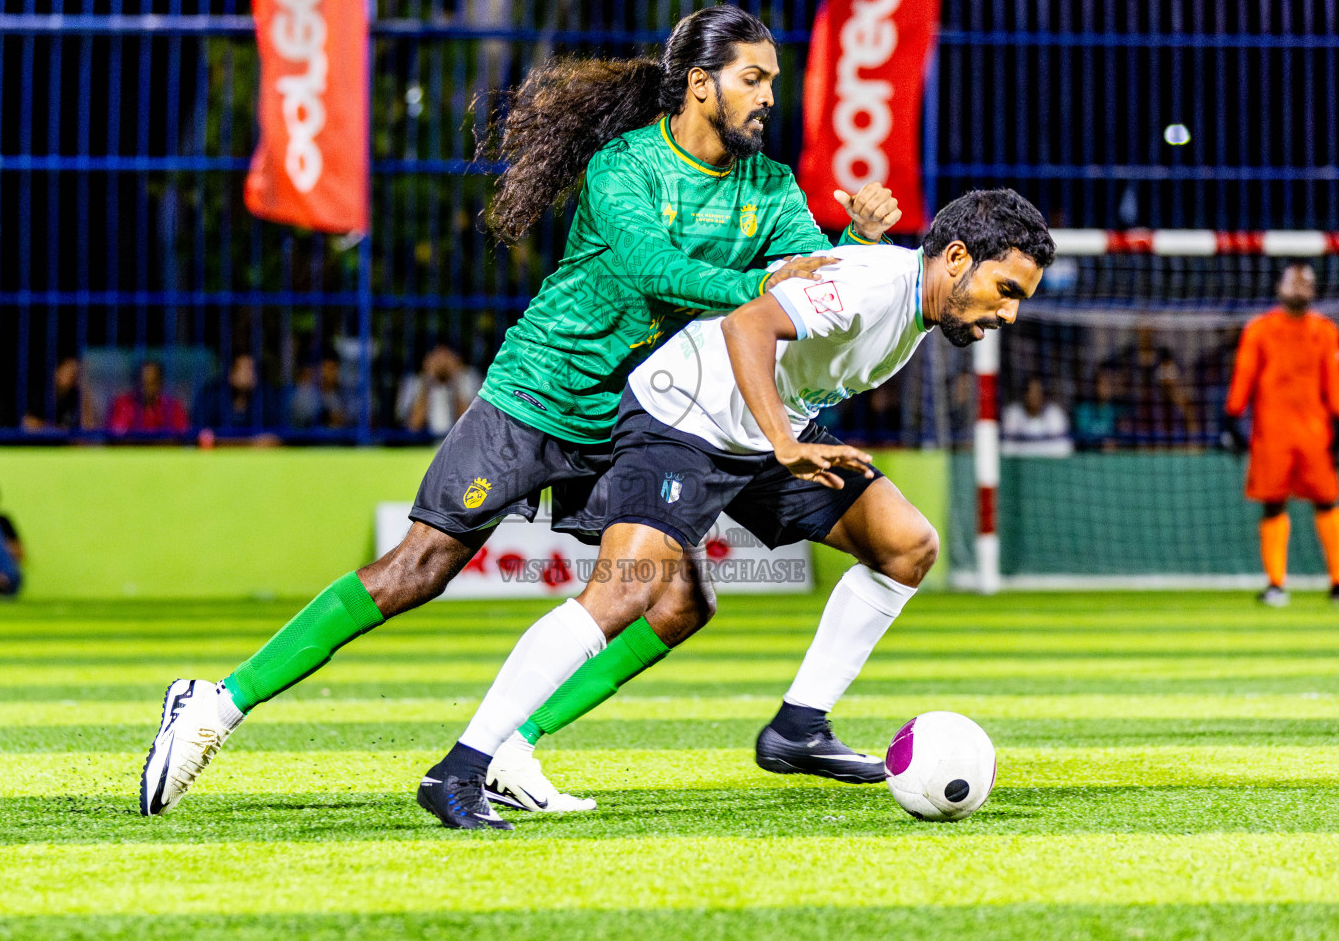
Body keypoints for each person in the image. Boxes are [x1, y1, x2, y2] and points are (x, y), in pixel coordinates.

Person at [138, 4, 902, 819]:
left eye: (772, 82)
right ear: (698, 85)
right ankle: (215, 704)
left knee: (680, 602)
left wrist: (850, 246)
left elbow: (804, 286)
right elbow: (656, 269)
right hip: (539, 395)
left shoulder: (771, 185)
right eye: (753, 79)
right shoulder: (626, 167)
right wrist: (764, 285)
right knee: (418, 570)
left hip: (641, 416)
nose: (768, 98)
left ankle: (512, 748)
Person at [428, 188, 1054, 828]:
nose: (1008, 313)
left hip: (765, 429)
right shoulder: (878, 286)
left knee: (906, 545)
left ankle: (799, 727)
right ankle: (463, 766)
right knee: (622, 596)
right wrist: (785, 443)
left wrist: (783, 435)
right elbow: (746, 323)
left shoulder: (911, 309)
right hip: (682, 418)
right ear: (955, 258)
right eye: (1006, 289)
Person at [1225, 264, 1339, 607]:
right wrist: (1233, 415)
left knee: (1327, 501)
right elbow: (1245, 375)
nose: (1299, 288)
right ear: (1279, 287)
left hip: (1315, 431)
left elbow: (1334, 381)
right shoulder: (1259, 330)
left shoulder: (1325, 331)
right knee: (1273, 503)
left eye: (1306, 283)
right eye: (1293, 281)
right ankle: (1275, 584)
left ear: (1314, 291)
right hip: (1272, 432)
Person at [397, 344, 479, 437]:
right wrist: (428, 379)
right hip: (423, 445)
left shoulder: (468, 379)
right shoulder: (414, 381)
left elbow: (468, 426)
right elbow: (414, 426)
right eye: (437, 357)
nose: (442, 362)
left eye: (446, 357)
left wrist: (455, 380)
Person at [107, 360, 189, 437]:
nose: (145, 388)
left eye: (151, 383)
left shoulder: (173, 407)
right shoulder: (122, 405)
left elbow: (181, 438)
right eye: (142, 383)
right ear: (135, 382)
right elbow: (116, 437)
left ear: (160, 383)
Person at [1001, 377, 1072, 457]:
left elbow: (1065, 448)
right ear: (1025, 394)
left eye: (1038, 392)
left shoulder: (1054, 414)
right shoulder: (1013, 413)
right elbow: (1006, 448)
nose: (1035, 397)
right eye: (1031, 392)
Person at [22, 356, 84, 432]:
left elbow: (78, 432)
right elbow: (29, 424)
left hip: (62, 442)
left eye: (76, 373)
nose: (73, 376)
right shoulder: (40, 394)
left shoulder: (75, 398)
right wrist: (57, 429)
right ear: (57, 372)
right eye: (69, 372)